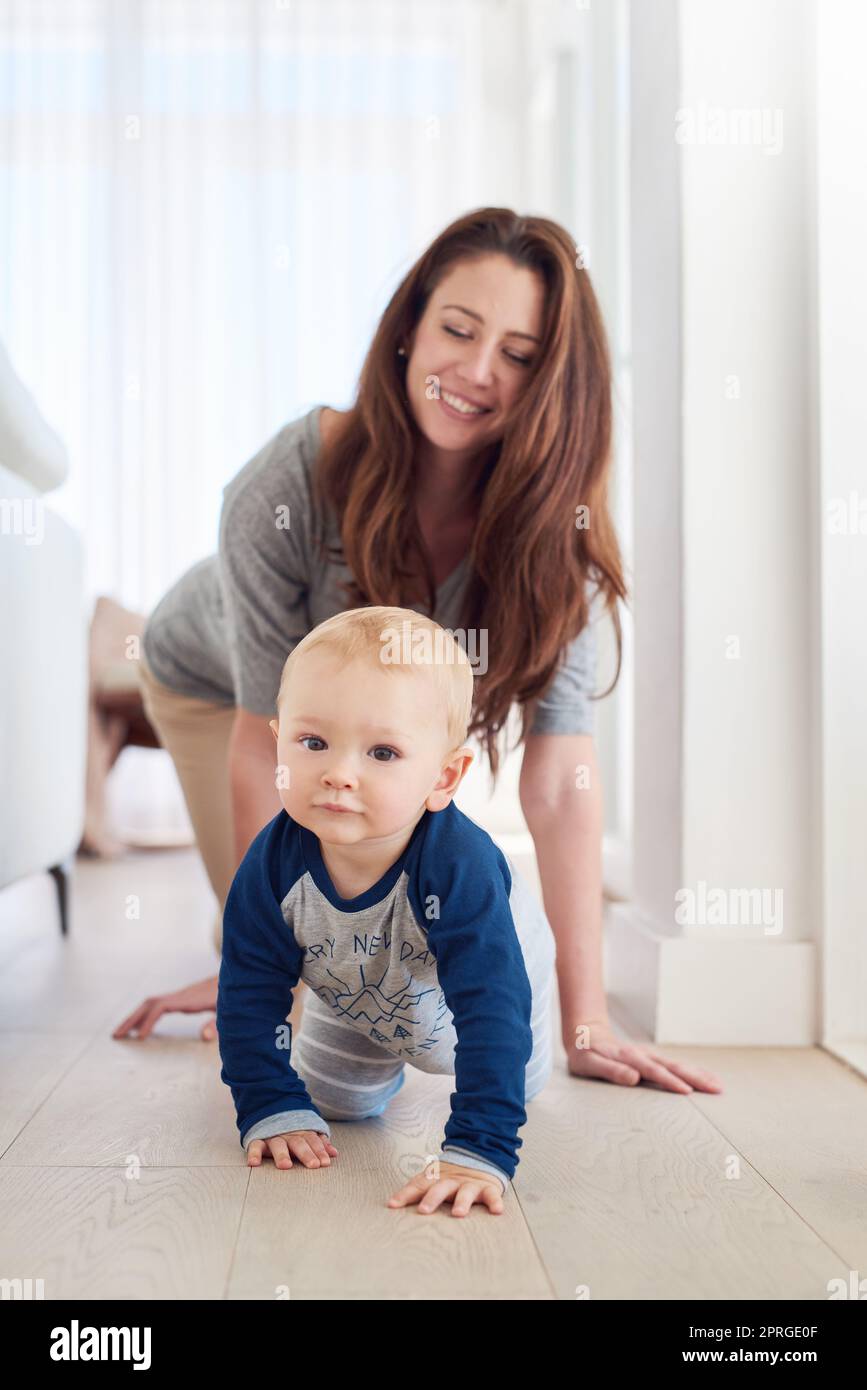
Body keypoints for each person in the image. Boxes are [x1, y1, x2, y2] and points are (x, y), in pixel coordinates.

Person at [114, 205, 722, 1098]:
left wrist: (584, 1017)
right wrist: (267, 976)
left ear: (553, 381)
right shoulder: (285, 481)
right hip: (215, 689)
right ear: (409, 329)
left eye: (517, 355)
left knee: (379, 915)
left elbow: (559, 780)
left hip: (325, 725)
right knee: (300, 920)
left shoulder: (557, 534)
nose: (475, 372)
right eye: (457, 329)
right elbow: (263, 739)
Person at [219, 605, 556, 1217]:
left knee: (518, 1082)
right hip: (356, 991)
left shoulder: (461, 868)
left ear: (444, 776)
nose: (339, 774)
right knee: (332, 1104)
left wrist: (480, 1149)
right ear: (279, 744)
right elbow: (248, 989)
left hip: (490, 993)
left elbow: (492, 1009)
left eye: (382, 752)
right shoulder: (270, 868)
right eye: (313, 742)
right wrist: (267, 1102)